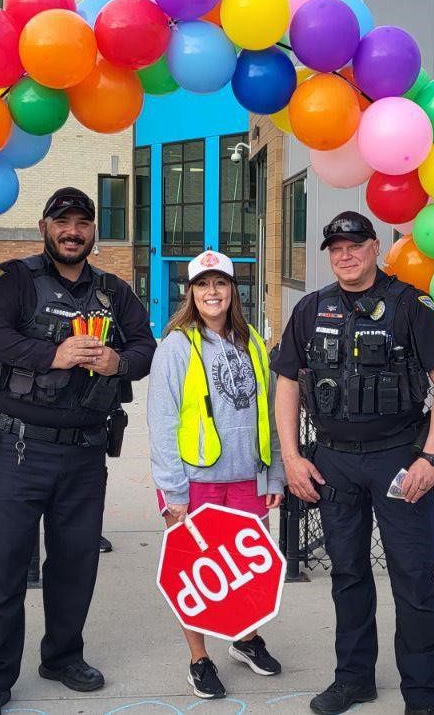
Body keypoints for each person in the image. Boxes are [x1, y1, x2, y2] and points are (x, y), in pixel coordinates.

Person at [0, 187, 157, 715]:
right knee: (4, 567)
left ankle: (63, 657)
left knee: (75, 564)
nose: (73, 232)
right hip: (16, 449)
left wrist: (118, 362)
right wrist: (55, 354)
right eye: (63, 222)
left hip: (85, 453)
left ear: (93, 231)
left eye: (82, 223)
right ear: (44, 228)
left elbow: (145, 346)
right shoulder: (14, 279)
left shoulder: (114, 291)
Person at [271, 212, 434, 715]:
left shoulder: (411, 306)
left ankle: (423, 694)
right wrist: (291, 457)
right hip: (333, 461)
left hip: (399, 460)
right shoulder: (312, 308)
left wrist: (431, 457)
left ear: (375, 247)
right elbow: (287, 381)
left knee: (413, 578)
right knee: (348, 575)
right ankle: (353, 679)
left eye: (354, 245)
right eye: (336, 248)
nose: (345, 255)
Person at [147, 250, 288, 700]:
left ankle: (245, 640)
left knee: (246, 571)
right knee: (195, 574)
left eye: (220, 283)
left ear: (233, 290)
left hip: (247, 477)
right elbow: (161, 421)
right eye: (203, 284)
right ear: (190, 292)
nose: (212, 292)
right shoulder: (176, 346)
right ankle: (199, 660)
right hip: (194, 482)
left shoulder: (253, 344)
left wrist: (275, 475)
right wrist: (173, 490)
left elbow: (271, 415)